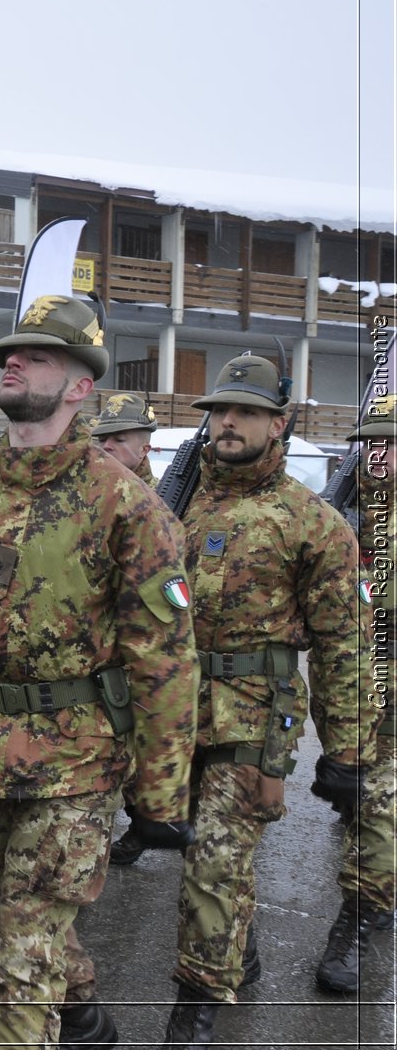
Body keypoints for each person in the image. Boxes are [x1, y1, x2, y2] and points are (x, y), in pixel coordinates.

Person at [0, 295, 199, 1047]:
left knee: (20, 962)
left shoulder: (126, 505)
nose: (14, 362)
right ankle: (85, 1015)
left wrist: (159, 796)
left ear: (80, 386)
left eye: (38, 355)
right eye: (9, 355)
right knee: (23, 924)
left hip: (78, 760)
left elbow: (164, 657)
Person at [162, 355, 372, 1046]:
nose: (227, 421)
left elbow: (343, 643)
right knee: (201, 851)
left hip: (255, 713)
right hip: (173, 711)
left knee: (215, 861)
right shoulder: (174, 505)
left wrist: (346, 752)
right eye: (220, 410)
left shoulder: (311, 523)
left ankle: (192, 1010)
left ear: (279, 422)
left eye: (246, 411)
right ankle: (233, 953)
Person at [318, 392, 396, 992]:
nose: (378, 454)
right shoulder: (342, 517)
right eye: (370, 442)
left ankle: (358, 918)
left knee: (379, 805)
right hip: (346, 689)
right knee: (359, 804)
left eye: (390, 443)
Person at [89, 392, 163, 868]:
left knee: (138, 750)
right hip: (95, 652)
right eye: (103, 439)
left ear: (145, 448)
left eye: (120, 439)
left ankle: (145, 820)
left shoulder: (165, 501)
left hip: (142, 647)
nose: (109, 447)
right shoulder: (88, 495)